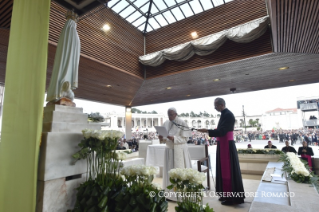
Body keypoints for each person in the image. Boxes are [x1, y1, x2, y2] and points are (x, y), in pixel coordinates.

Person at [197, 98, 245, 205]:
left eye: (216, 105)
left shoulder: (228, 115)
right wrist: (207, 131)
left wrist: (207, 130)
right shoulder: (224, 114)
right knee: (222, 170)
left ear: (221, 105)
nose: (215, 107)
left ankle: (231, 198)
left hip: (227, 145)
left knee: (228, 170)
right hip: (223, 144)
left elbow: (222, 131)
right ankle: (224, 194)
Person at [159, 107, 192, 193]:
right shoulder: (166, 123)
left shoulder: (182, 123)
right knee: (169, 171)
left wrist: (174, 138)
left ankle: (180, 192)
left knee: (179, 173)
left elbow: (185, 139)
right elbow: (163, 138)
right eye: (168, 114)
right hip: (169, 150)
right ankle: (169, 192)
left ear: (175, 114)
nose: (169, 116)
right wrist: (161, 137)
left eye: (171, 114)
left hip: (179, 151)